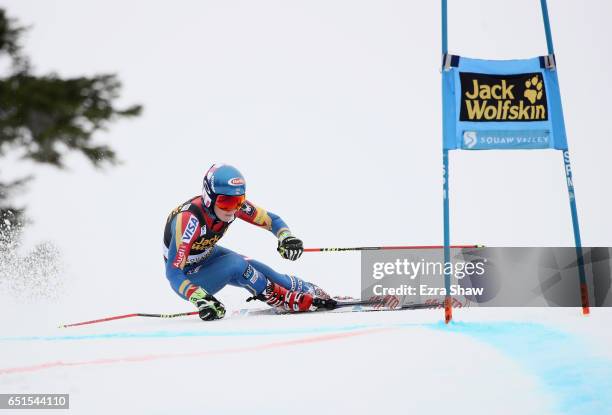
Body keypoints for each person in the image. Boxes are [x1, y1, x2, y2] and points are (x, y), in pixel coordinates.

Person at [163, 163, 335, 321]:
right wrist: (200, 297)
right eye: (225, 202)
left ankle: (307, 289)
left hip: (206, 256)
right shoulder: (189, 221)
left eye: (238, 201)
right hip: (188, 277)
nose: (232, 209)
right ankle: (280, 298)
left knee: (261, 270)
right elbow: (173, 273)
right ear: (209, 197)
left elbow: (272, 220)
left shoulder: (236, 208)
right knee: (236, 264)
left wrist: (286, 237)